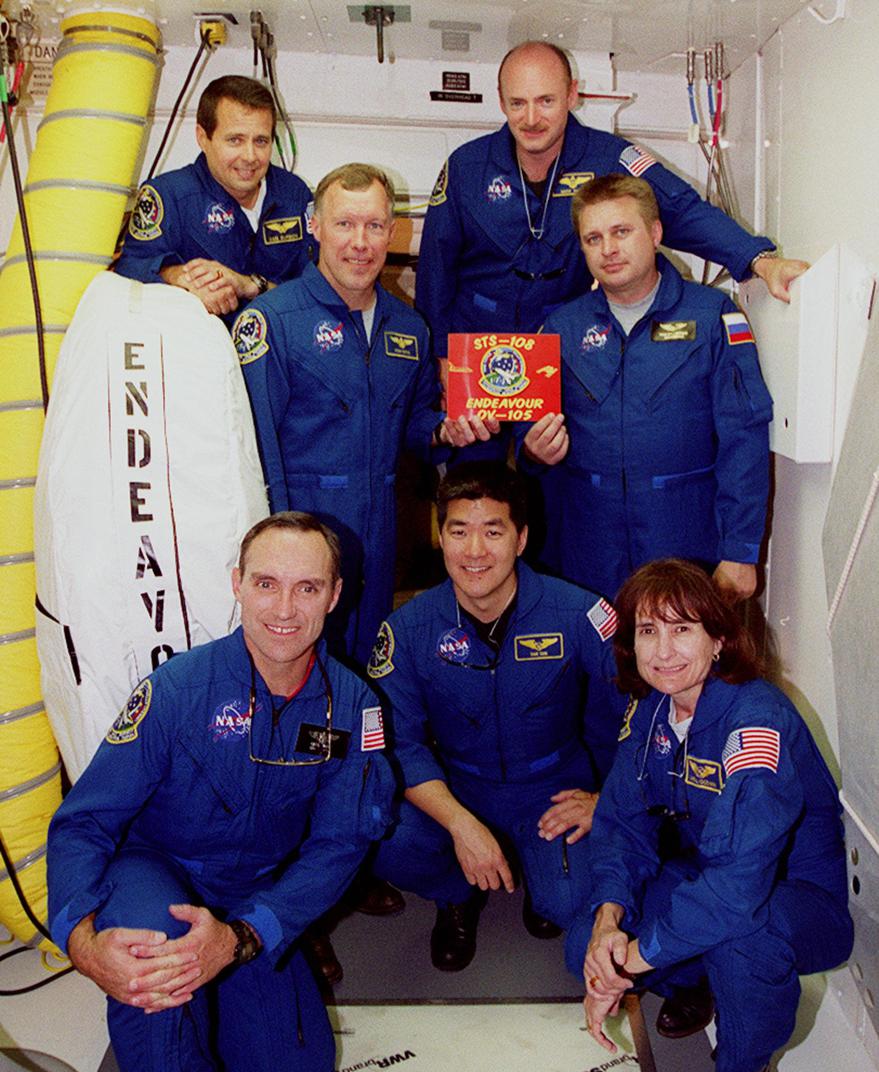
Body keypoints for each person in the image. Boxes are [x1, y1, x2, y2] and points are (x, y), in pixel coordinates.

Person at [46, 513, 393, 1072]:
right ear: (235, 585)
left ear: (335, 596)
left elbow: (340, 845)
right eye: (264, 583)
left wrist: (245, 937)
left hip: (254, 896)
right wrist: (79, 939)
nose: (282, 608)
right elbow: (82, 826)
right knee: (155, 957)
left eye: (307, 587)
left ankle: (217, 994)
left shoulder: (353, 709)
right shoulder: (175, 692)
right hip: (158, 873)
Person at [570, 559, 852, 1072]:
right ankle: (696, 974)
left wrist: (635, 961)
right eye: (648, 632)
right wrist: (609, 923)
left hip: (797, 902)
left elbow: (740, 886)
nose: (663, 651)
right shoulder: (650, 713)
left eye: (683, 630)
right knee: (581, 948)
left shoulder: (755, 721)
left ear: (719, 639)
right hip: (712, 874)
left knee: (738, 934)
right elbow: (620, 823)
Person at [416, 41, 805, 418]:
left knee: (552, 468)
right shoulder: (466, 168)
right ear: (501, 102)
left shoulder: (611, 158)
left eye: (546, 101)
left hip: (566, 348)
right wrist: (440, 360)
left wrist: (759, 260)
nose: (531, 118)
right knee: (477, 476)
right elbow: (435, 272)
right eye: (518, 103)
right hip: (477, 353)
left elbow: (684, 212)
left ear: (572, 94)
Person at [366, 462, 625, 970]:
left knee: (569, 901)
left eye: (493, 531)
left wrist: (605, 799)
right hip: (459, 785)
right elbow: (398, 743)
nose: (475, 551)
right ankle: (456, 896)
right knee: (380, 833)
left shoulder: (580, 615)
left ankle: (541, 876)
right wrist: (461, 824)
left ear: (522, 539)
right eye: (458, 531)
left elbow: (640, 717)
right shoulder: (409, 629)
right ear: (439, 537)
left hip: (552, 788)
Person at [232, 162, 489, 667]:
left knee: (367, 668)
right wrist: (280, 551)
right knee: (296, 668)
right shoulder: (272, 323)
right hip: (299, 532)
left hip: (380, 537)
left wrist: (445, 430)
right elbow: (254, 448)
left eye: (374, 226)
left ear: (392, 232)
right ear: (316, 226)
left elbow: (416, 427)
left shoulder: (410, 330)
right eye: (345, 224)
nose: (360, 242)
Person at [532, 173, 773, 602]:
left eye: (622, 232)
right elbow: (529, 434)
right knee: (596, 667)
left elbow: (744, 437)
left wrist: (741, 551)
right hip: (586, 550)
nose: (608, 249)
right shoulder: (560, 329)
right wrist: (533, 448)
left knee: (682, 665)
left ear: (655, 233)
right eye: (593, 238)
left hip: (687, 547)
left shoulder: (711, 317)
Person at [115, 76, 314, 315]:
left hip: (281, 345)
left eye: (261, 141)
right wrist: (178, 278)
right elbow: (129, 271)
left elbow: (319, 286)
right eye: (235, 140)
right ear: (203, 137)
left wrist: (252, 285)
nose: (250, 156)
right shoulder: (168, 197)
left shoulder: (295, 195)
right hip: (200, 345)